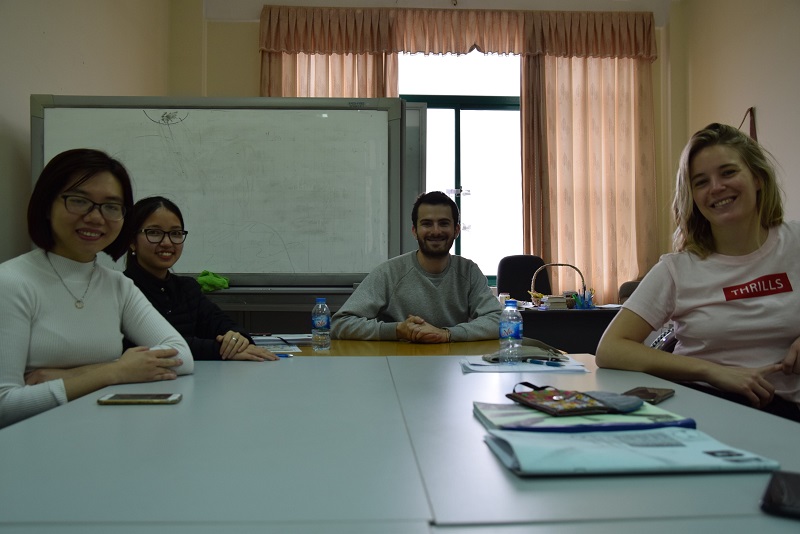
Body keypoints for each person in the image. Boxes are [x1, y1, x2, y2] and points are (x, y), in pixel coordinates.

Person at [596, 123, 800, 422]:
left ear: (757, 177)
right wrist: (714, 372)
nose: (716, 188)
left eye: (728, 172)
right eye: (701, 182)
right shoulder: (677, 269)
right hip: (704, 406)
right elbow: (610, 349)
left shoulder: (794, 243)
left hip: (786, 415)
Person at [0, 149, 194, 428]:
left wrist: (93, 373)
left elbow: (182, 357)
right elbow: (5, 405)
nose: (95, 217)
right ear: (46, 205)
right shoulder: (12, 282)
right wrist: (115, 372)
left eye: (111, 206)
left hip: (104, 434)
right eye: (79, 201)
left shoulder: (117, 286)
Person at [332, 191, 502, 343]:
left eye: (443, 223)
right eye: (427, 224)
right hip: (397, 366)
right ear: (414, 230)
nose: (436, 231)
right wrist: (398, 330)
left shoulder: (469, 271)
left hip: (452, 365)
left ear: (456, 230)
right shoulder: (389, 272)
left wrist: (446, 334)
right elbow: (341, 323)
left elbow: (498, 320)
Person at [124, 196, 278, 362]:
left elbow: (221, 323)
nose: (167, 242)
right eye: (154, 233)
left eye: (175, 233)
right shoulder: (121, 289)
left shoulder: (186, 288)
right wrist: (222, 350)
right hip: (145, 385)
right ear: (132, 241)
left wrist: (237, 339)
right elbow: (155, 347)